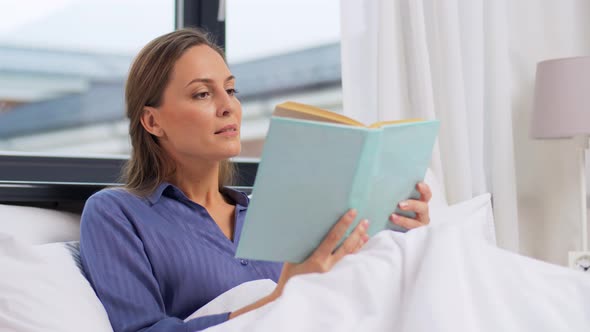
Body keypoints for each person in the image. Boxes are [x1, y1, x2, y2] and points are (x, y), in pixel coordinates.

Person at [79, 28, 433, 332]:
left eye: (230, 90)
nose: (228, 106)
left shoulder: (278, 213)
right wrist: (279, 298)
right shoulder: (117, 213)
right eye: (203, 94)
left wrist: (405, 237)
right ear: (152, 122)